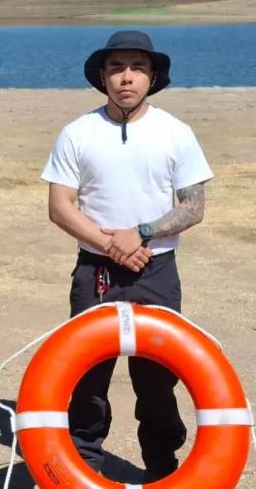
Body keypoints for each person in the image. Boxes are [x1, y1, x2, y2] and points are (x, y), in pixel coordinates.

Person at [41, 30, 213, 481]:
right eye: (116, 68)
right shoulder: (77, 133)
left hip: (156, 272)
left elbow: (193, 207)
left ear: (153, 77)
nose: (126, 77)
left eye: (138, 68)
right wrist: (111, 245)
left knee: (157, 382)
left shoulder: (176, 133)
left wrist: (141, 234)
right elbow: (60, 206)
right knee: (88, 381)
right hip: (95, 272)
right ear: (102, 76)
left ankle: (162, 468)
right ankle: (84, 470)